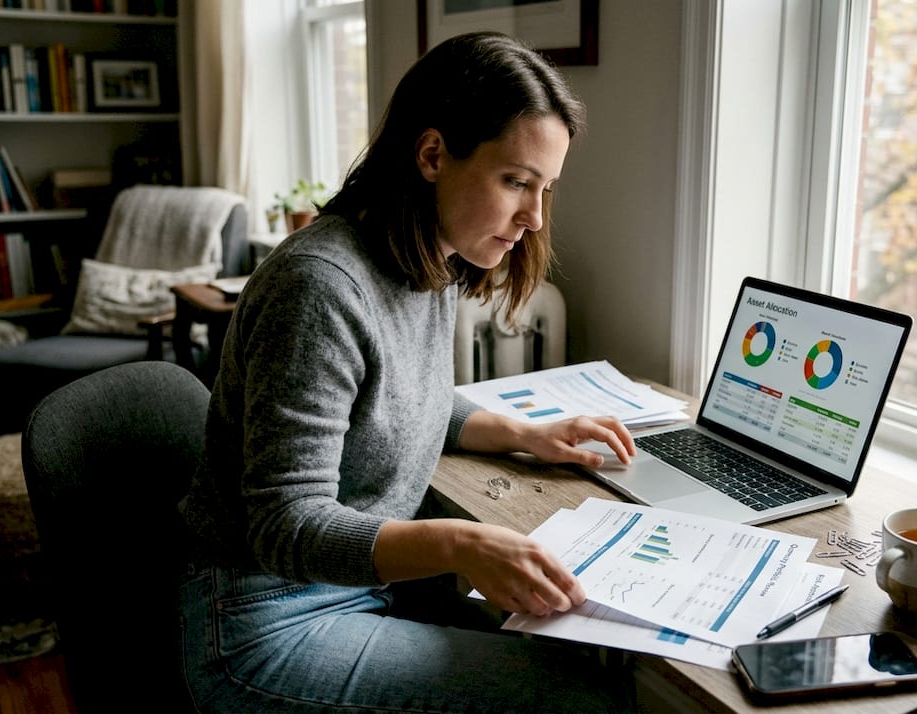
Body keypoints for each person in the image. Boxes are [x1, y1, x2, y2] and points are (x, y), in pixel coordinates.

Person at [178, 32, 639, 713]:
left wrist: (525, 433)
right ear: (432, 155)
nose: (532, 217)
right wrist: (460, 543)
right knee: (580, 696)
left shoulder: (429, 257)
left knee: (572, 648)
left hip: (357, 590)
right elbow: (285, 524)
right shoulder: (320, 287)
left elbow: (401, 397)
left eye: (545, 189)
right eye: (515, 181)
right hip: (262, 623)